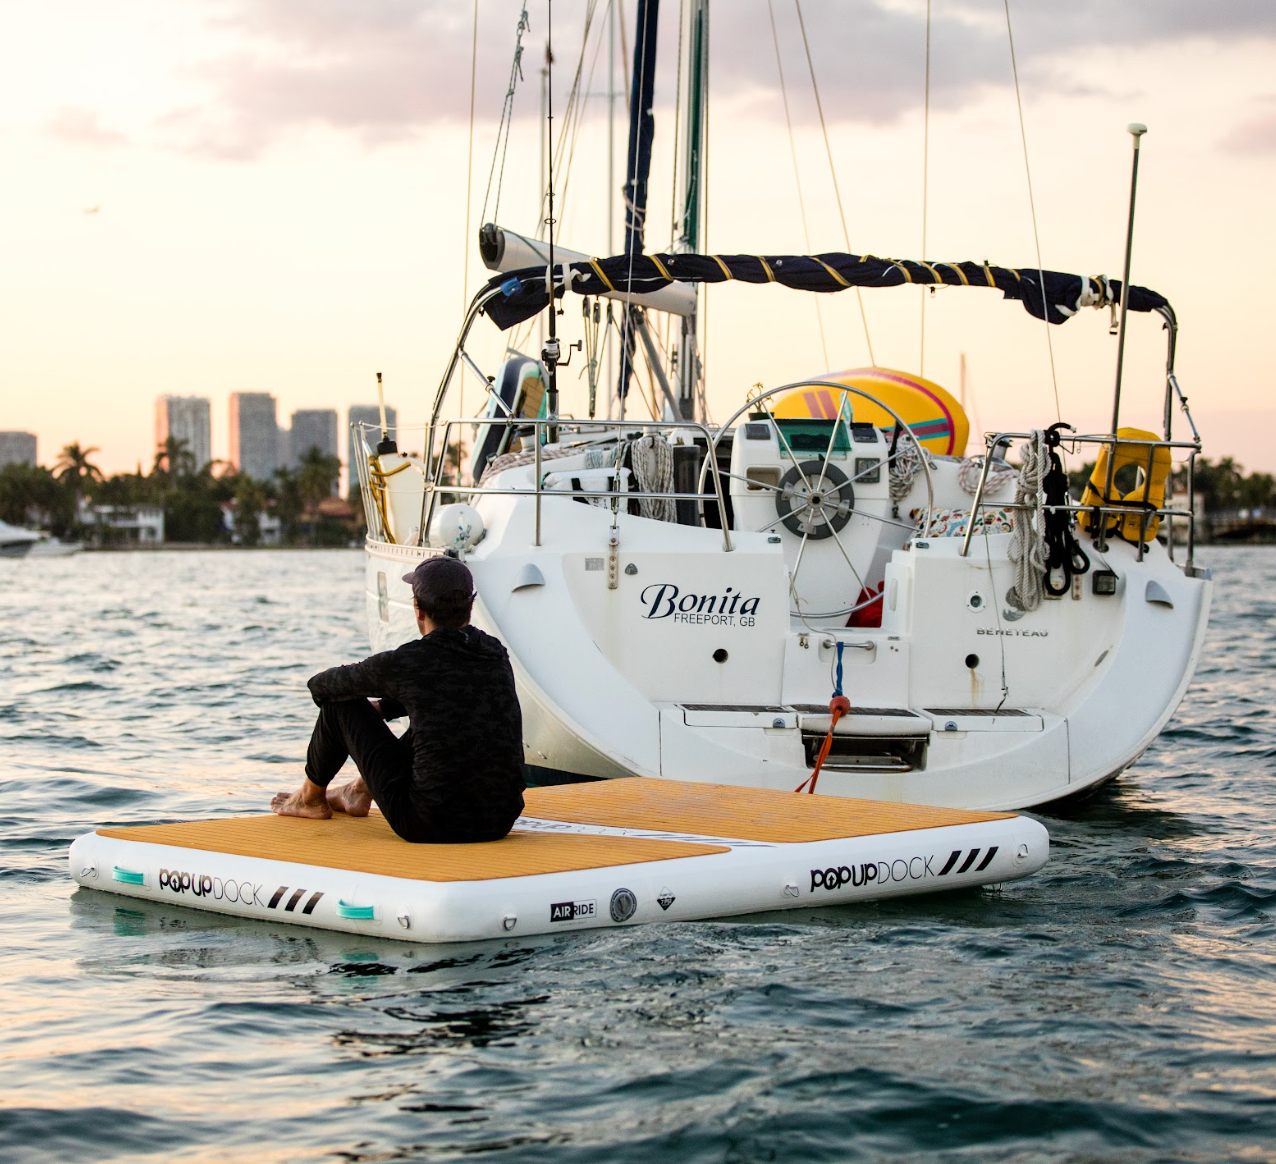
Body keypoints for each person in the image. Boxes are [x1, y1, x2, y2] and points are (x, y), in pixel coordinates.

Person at [271, 555, 525, 843]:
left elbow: (321, 686)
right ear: (470, 605)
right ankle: (357, 791)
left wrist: (369, 705)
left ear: (418, 610)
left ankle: (309, 799)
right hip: (500, 820)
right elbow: (446, 690)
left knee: (339, 703)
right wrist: (385, 707)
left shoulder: (408, 662)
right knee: (444, 717)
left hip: (426, 823)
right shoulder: (494, 653)